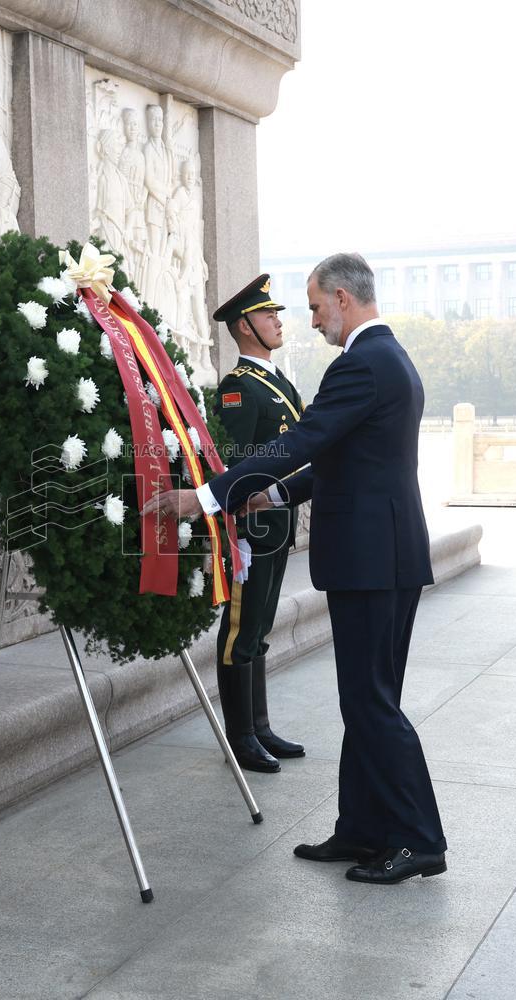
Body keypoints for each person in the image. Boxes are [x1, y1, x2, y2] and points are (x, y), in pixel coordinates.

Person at [144, 253, 447, 884]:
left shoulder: (360, 363)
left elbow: (300, 443)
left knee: (370, 701)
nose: (310, 320)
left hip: (371, 560)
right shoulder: (389, 358)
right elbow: (342, 460)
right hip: (383, 555)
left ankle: (418, 838)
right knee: (365, 699)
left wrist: (206, 497)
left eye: (314, 307)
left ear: (342, 298)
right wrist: (273, 494)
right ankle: (362, 829)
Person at [210, 274, 309, 773]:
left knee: (261, 626)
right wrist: (238, 532)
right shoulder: (238, 388)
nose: (277, 321)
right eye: (268, 314)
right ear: (245, 327)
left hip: (278, 521)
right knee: (240, 629)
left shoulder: (278, 382)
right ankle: (241, 737)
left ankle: (260, 726)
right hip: (251, 528)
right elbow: (232, 462)